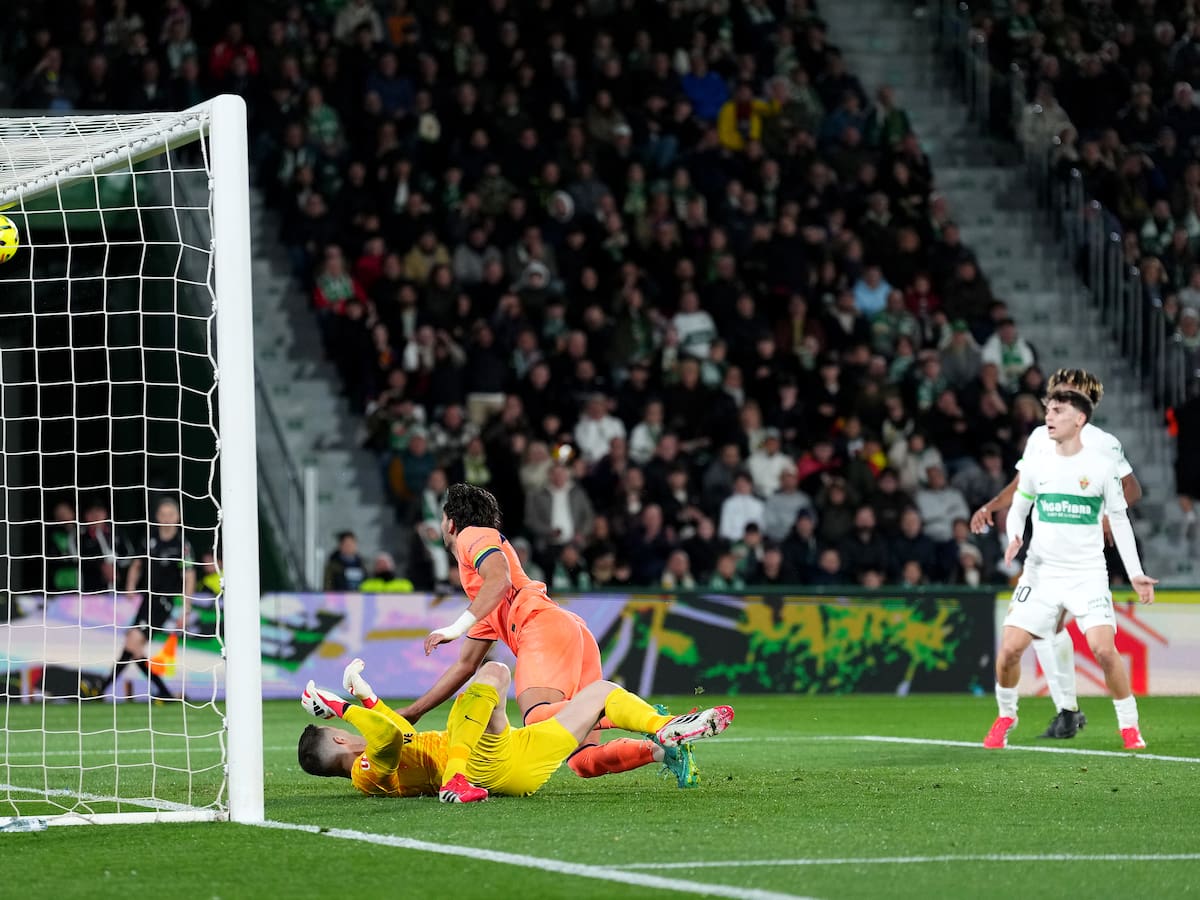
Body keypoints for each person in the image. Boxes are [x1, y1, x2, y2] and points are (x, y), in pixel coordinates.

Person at [395, 483, 698, 787]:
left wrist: (454, 628)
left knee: (540, 718)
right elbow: (465, 666)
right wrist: (413, 712)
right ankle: (665, 749)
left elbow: (498, 580)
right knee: (583, 761)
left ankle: (660, 721)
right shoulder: (484, 601)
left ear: (450, 522)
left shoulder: (471, 534)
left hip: (541, 625)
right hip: (568, 630)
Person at [970, 369, 1142, 740]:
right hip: (1047, 550)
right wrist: (992, 506)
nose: (1057, 401)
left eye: (1068, 394)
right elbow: (1022, 486)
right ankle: (1067, 709)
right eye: (1056, 394)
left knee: (1057, 632)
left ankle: (1073, 710)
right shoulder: (1038, 437)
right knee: (1045, 632)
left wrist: (1107, 517)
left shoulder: (1104, 444)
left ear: (1085, 405)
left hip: (1083, 551)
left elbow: (1132, 490)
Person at [298, 657, 735, 802]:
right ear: (337, 737)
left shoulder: (375, 770)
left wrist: (368, 697)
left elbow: (395, 730)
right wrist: (340, 706)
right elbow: (388, 737)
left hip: (512, 762)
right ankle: (456, 778)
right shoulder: (365, 772)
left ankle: (665, 731)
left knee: (601, 691)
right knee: (492, 673)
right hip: (477, 765)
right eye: (339, 725)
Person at [96, 497, 194, 700]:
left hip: (163, 602)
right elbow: (137, 564)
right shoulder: (150, 538)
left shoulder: (182, 545)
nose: (167, 519)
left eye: (171, 515)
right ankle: (166, 694)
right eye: (163, 515)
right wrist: (130, 587)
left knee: (131, 645)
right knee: (134, 649)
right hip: (148, 599)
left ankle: (100, 691)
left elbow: (190, 575)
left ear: (178, 517)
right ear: (157, 517)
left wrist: (186, 606)